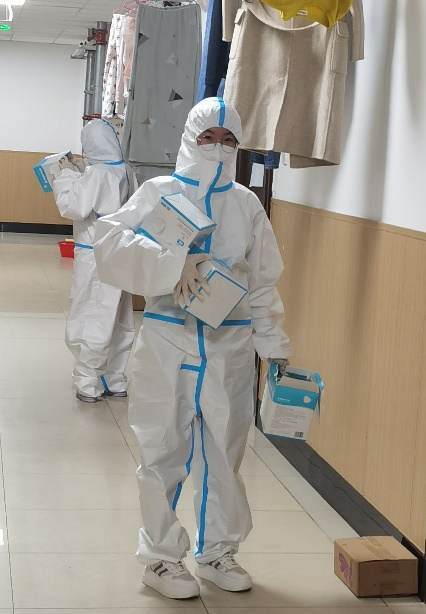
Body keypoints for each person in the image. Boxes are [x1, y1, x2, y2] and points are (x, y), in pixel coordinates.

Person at [93, 98, 292, 598]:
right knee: (162, 449)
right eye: (208, 137)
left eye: (228, 140)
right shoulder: (160, 191)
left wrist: (273, 342)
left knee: (225, 451)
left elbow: (263, 280)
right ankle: (161, 559)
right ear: (189, 138)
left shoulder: (246, 204)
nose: (217, 148)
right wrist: (169, 262)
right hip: (168, 337)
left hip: (230, 343)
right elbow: (109, 242)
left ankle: (216, 551)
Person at [52, 119, 135, 403]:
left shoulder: (98, 173)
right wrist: (80, 171)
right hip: (120, 253)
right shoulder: (125, 171)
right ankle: (115, 377)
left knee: (92, 315)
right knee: (119, 318)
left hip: (94, 256)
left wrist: (65, 175)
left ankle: (87, 381)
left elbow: (73, 207)